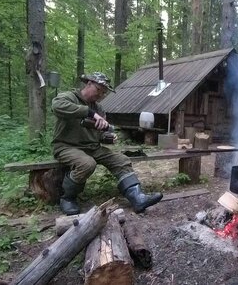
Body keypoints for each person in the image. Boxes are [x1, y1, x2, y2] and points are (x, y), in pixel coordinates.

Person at [51, 72, 163, 215]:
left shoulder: (99, 108)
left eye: (103, 93)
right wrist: (90, 113)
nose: (100, 95)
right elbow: (57, 106)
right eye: (98, 90)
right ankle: (67, 198)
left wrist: (107, 137)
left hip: (92, 147)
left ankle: (137, 197)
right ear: (89, 83)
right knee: (87, 164)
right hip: (66, 146)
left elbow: (99, 134)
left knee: (121, 160)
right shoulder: (69, 97)